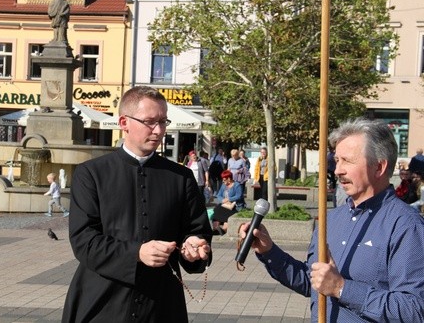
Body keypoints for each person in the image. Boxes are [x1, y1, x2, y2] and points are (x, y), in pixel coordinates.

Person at [240, 118, 424, 322]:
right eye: (337, 160)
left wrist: (341, 288)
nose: (338, 170)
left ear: (379, 167)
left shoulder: (406, 225)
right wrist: (269, 251)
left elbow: (414, 310)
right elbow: (311, 281)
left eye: (348, 161)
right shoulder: (331, 219)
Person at [62, 86, 212, 322]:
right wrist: (136, 253)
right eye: (150, 122)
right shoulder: (91, 174)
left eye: (163, 121)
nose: (159, 130)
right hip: (103, 302)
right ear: (124, 122)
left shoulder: (181, 177)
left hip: (162, 304)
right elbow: (84, 241)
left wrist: (195, 248)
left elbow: (197, 230)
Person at [211, 170, 245, 236]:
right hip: (226, 205)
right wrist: (222, 200)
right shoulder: (224, 185)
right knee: (217, 209)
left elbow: (239, 196)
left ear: (229, 179)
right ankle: (215, 228)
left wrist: (229, 199)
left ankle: (224, 229)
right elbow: (219, 195)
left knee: (227, 213)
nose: (223, 181)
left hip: (235, 206)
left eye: (224, 180)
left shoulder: (237, 185)